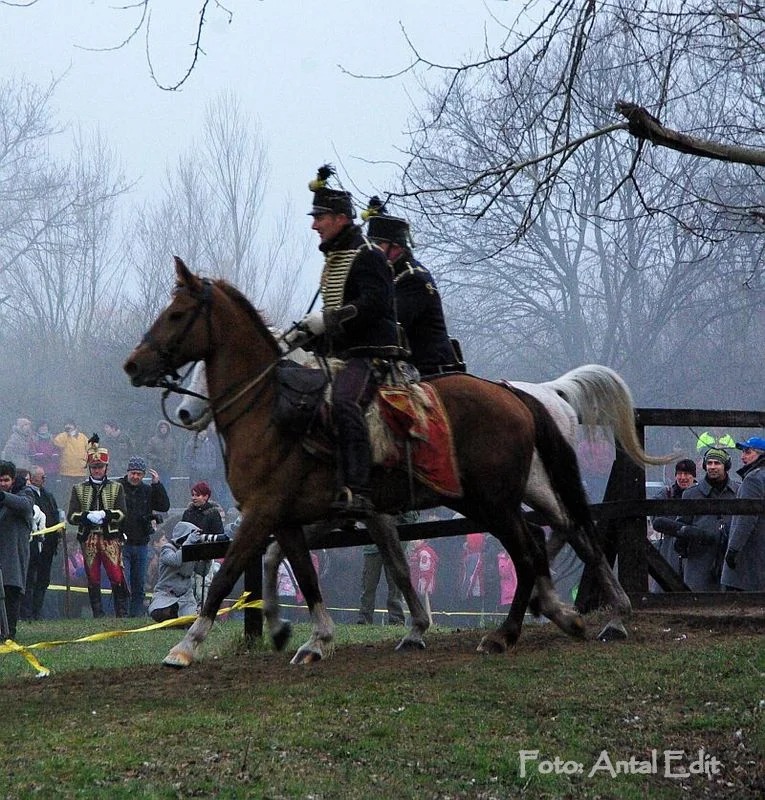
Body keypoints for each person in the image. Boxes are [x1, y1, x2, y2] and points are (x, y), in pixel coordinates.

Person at [290, 165, 402, 520]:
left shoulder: (368, 254)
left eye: (319, 217)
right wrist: (305, 336)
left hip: (372, 354)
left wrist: (329, 320)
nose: (314, 225)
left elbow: (375, 305)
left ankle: (360, 490)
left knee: (344, 401)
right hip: (343, 353)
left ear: (340, 218)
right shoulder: (336, 257)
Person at [364, 196, 464, 375]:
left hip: (429, 370)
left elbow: (391, 326)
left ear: (396, 247)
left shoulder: (413, 279)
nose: (371, 250)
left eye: (377, 244)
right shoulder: (389, 275)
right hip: (404, 368)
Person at [66, 443, 129, 617]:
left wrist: (106, 514)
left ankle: (121, 612)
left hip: (110, 537)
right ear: (89, 468)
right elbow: (71, 516)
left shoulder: (116, 487)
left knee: (116, 574)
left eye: (100, 467)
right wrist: (86, 516)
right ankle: (97, 613)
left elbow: (122, 513)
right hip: (89, 538)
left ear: (106, 467)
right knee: (92, 576)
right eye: (94, 467)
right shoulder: (78, 489)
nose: (97, 470)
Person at [666, 448, 740, 592]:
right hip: (699, 560)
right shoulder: (691, 494)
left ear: (726, 466)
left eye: (717, 463)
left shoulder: (738, 491)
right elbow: (682, 524)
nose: (712, 467)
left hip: (730, 561)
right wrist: (683, 541)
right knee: (697, 599)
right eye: (709, 463)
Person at [119, 456, 171, 616]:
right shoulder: (118, 488)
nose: (135, 477)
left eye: (139, 474)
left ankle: (136, 615)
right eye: (133, 473)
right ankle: (122, 615)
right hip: (121, 543)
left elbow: (164, 505)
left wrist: (157, 485)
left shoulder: (147, 490)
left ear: (143, 475)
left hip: (141, 543)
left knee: (139, 584)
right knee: (123, 582)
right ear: (128, 472)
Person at [721, 436, 765, 592]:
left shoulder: (753, 479)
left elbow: (746, 518)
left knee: (738, 601)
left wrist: (733, 549)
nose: (742, 456)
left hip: (749, 559)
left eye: (748, 452)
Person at [22, 465, 63, 621]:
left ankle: (36, 613)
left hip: (48, 546)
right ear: (32, 478)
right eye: (41, 476)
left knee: (43, 580)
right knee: (30, 580)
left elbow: (55, 514)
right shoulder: (26, 495)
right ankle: (26, 613)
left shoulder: (48, 495)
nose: (44, 479)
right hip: (32, 546)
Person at [0, 460, 34, 638]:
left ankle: (9, 633)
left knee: (11, 594)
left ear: (13, 480)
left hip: (13, 556)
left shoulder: (26, 493)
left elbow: (25, 505)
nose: (2, 484)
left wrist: (3, 497)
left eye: (6, 480)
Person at [650, 458, 698, 583]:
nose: (682, 477)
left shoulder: (701, 495)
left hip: (693, 551)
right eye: (679, 474)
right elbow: (654, 516)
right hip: (669, 550)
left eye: (686, 474)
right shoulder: (665, 494)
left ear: (693, 476)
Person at [148, 521, 205, 622]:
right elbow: (176, 561)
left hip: (185, 596)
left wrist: (207, 557)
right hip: (167, 593)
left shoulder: (190, 550)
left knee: (189, 621)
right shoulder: (167, 549)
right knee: (160, 613)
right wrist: (189, 542)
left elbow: (202, 571)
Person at [53, 421, 90, 500]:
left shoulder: (83, 437)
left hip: (81, 472)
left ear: (75, 427)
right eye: (67, 426)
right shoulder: (63, 437)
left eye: (71, 426)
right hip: (66, 472)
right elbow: (57, 442)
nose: (69, 428)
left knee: (81, 495)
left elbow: (90, 448)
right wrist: (66, 433)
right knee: (68, 495)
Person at [146, 420, 178, 487]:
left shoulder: (171, 441)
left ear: (168, 429)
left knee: (167, 487)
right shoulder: (153, 440)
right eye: (162, 427)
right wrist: (157, 459)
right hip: (157, 469)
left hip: (168, 469)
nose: (164, 429)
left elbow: (175, 454)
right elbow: (148, 453)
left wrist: (172, 463)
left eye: (165, 427)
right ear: (159, 429)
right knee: (157, 486)